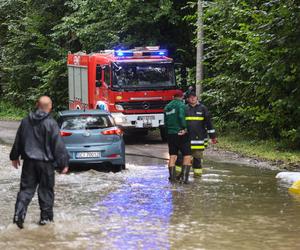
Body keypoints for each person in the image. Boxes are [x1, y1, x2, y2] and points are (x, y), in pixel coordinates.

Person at [10, 96, 69, 229]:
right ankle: (46, 220)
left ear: (37, 104)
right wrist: (63, 164)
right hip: (46, 164)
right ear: (50, 107)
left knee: (25, 191)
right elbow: (58, 145)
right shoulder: (51, 123)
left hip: (29, 163)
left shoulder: (25, 121)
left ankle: (18, 217)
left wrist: (14, 157)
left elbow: (18, 139)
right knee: (46, 191)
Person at [184, 92, 217, 177]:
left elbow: (209, 123)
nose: (192, 99)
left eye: (194, 97)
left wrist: (213, 136)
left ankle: (197, 177)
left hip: (199, 139)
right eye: (190, 97)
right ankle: (184, 177)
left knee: (197, 159)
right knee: (185, 158)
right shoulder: (185, 108)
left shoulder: (203, 108)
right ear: (187, 99)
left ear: (197, 98)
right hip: (186, 139)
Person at [164, 91, 192, 183]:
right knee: (187, 155)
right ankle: (184, 179)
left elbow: (165, 122)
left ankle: (172, 179)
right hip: (181, 133)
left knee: (172, 156)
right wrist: (185, 128)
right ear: (182, 96)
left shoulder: (167, 107)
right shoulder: (181, 105)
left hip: (171, 134)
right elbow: (181, 117)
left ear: (173, 96)